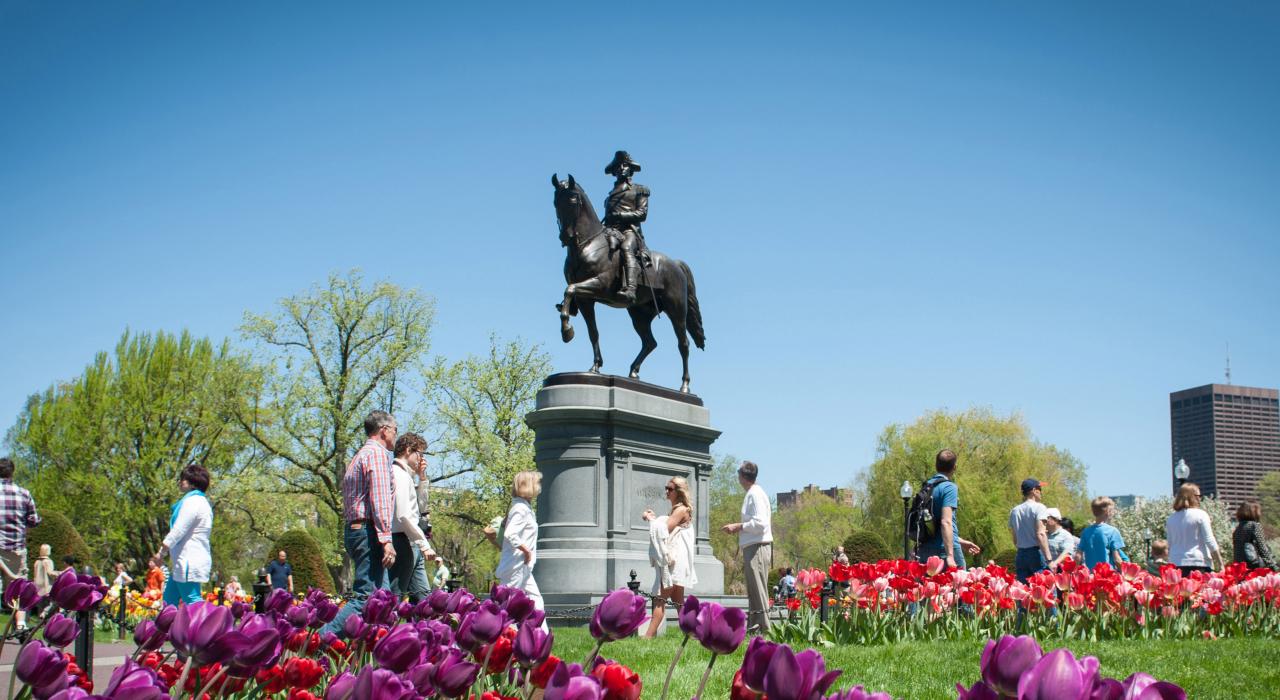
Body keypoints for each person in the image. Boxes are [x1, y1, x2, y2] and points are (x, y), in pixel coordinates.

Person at [323, 410, 399, 637]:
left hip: (357, 530)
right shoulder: (376, 454)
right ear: (384, 430)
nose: (396, 435)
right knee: (367, 598)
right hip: (369, 532)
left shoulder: (360, 455)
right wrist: (386, 539)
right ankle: (321, 640)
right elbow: (380, 497)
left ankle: (374, 648)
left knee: (383, 599)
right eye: (395, 430)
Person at [485, 471, 545, 628]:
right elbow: (511, 534)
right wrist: (526, 551)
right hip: (516, 566)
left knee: (536, 601)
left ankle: (540, 637)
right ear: (528, 486)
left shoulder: (523, 507)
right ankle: (500, 637)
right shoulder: (520, 508)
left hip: (522, 566)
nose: (539, 487)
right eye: (536, 483)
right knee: (507, 606)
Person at [640, 476, 697, 638]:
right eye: (666, 488)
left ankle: (648, 636)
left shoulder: (681, 510)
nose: (666, 491)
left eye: (670, 489)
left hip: (675, 562)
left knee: (660, 598)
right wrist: (656, 519)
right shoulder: (678, 509)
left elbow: (664, 530)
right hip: (678, 561)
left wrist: (651, 518)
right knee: (679, 602)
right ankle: (692, 635)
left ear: (678, 492)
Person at [720, 461, 773, 633]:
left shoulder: (755, 494)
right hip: (755, 546)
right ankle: (754, 628)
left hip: (757, 547)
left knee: (758, 590)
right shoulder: (755, 493)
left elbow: (760, 523)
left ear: (742, 476)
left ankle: (766, 629)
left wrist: (738, 526)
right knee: (754, 590)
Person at [153, 462, 214, 606]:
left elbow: (178, 530)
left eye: (183, 479)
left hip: (188, 560)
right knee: (169, 601)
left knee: (192, 599)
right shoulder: (201, 502)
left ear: (193, 483)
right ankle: (164, 628)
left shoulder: (192, 502)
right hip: (185, 560)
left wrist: (161, 553)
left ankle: (207, 627)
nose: (180, 482)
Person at [916, 450, 982, 570]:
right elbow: (946, 522)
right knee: (959, 587)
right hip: (944, 551)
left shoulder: (926, 487)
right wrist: (950, 555)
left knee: (929, 588)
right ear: (955, 467)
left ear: (936, 465)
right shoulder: (949, 487)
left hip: (925, 550)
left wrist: (961, 541)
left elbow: (932, 525)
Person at [389, 432, 435, 603]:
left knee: (424, 601)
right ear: (409, 450)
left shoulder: (406, 476)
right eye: (420, 453)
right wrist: (424, 544)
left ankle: (423, 630)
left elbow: (422, 507)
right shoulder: (398, 474)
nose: (421, 459)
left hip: (412, 543)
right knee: (394, 596)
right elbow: (403, 516)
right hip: (402, 542)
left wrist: (422, 478)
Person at [602, 150, 650, 301]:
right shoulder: (609, 196)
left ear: (630, 169)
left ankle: (630, 289)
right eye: (618, 166)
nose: (621, 168)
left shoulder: (639, 190)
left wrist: (620, 216)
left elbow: (642, 214)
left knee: (626, 248)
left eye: (625, 165)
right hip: (611, 230)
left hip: (630, 230)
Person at [0, 457, 41, 629]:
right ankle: (21, 624)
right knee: (18, 589)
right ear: (12, 472)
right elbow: (33, 520)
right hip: (16, 549)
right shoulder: (24, 493)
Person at [1165, 483, 1222, 575]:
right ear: (1192, 497)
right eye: (1198, 496)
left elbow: (1169, 543)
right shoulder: (1201, 515)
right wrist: (1220, 562)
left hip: (1176, 562)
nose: (1200, 499)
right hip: (1198, 562)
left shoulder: (1171, 518)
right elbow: (1209, 540)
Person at [1008, 479, 1052, 582]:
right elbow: (1041, 534)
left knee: (1024, 591)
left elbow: (1015, 539)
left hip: (1021, 554)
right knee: (1044, 589)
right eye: (1039, 489)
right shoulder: (1040, 508)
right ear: (1033, 490)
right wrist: (1049, 559)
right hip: (1036, 553)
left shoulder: (1014, 511)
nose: (1041, 492)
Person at [1078, 497, 1129, 570]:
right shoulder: (1112, 531)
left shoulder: (1086, 531)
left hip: (1090, 575)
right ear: (1108, 512)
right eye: (1112, 510)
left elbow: (1078, 556)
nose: (1113, 512)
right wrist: (1125, 573)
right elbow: (1117, 559)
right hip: (1107, 575)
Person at [1233, 501, 1277, 570]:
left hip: (1240, 568)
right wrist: (1273, 566)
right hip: (1254, 567)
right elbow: (1262, 549)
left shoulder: (1238, 528)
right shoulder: (1254, 526)